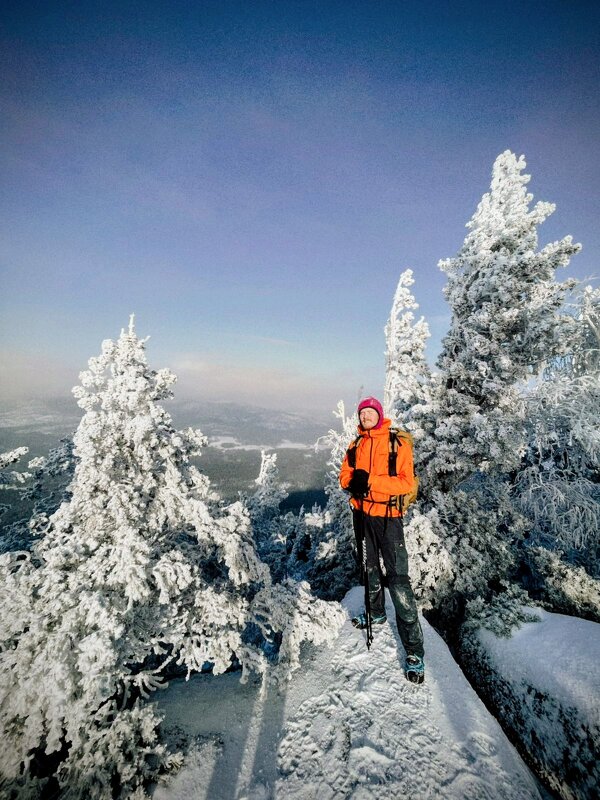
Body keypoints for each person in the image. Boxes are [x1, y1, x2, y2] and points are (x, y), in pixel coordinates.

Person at [339, 396, 425, 683]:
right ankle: (375, 614)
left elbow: (406, 482)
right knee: (369, 568)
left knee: (398, 579)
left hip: (389, 518)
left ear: (379, 415)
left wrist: (372, 482)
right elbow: (344, 477)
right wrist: (353, 482)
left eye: (370, 413)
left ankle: (414, 650)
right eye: (362, 414)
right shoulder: (356, 445)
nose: (365, 418)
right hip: (362, 516)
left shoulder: (395, 443)